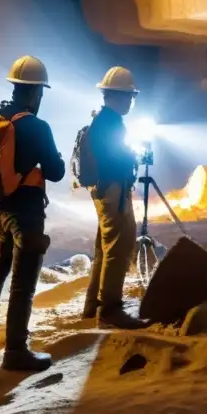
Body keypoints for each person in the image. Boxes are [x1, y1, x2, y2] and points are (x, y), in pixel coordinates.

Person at [0, 56, 66, 372]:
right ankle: (15, 350)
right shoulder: (38, 127)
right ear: (37, 92)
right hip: (25, 213)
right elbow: (56, 172)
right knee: (23, 281)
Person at [81, 66, 147, 329]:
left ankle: (93, 305)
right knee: (118, 247)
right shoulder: (111, 124)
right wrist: (132, 158)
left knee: (104, 247)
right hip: (113, 190)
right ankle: (110, 309)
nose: (131, 102)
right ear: (118, 96)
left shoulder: (102, 121)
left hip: (104, 189)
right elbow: (115, 159)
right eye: (129, 97)